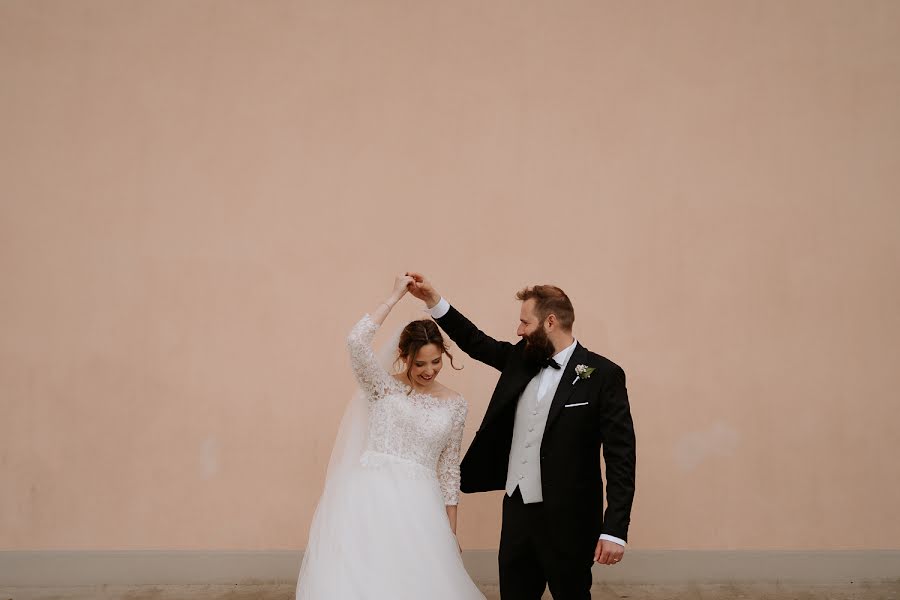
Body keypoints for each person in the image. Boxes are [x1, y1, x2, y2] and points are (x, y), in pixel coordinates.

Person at [408, 273, 636, 600]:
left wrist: (615, 530)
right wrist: (433, 300)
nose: (518, 331)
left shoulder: (603, 376)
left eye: (524, 323)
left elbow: (621, 458)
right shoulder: (521, 359)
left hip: (570, 522)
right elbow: (475, 341)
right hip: (517, 515)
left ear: (550, 322)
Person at [295, 274, 484, 600]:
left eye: (436, 361)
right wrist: (394, 296)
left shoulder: (455, 404)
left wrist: (450, 532)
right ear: (404, 357)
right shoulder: (381, 387)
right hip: (369, 499)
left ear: (445, 355)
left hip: (421, 507)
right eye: (419, 363)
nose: (428, 371)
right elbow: (356, 342)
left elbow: (450, 469)